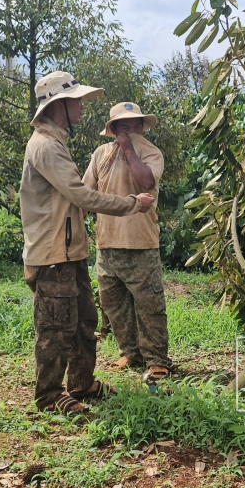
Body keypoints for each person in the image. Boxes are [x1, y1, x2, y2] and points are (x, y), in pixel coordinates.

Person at [20, 71, 155, 415]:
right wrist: (131, 203)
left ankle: (81, 384)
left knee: (83, 321)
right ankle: (49, 395)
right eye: (76, 100)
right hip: (52, 254)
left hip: (69, 251)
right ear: (59, 105)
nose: (82, 106)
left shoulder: (56, 142)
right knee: (55, 327)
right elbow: (82, 194)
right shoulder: (47, 146)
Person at [83, 102, 174, 384]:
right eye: (123, 126)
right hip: (107, 242)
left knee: (149, 304)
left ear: (142, 127)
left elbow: (146, 182)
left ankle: (157, 360)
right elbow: (86, 192)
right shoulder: (100, 154)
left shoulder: (150, 152)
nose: (130, 130)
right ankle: (130, 353)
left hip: (141, 242)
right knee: (113, 303)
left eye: (135, 124)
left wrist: (129, 150)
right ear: (113, 129)